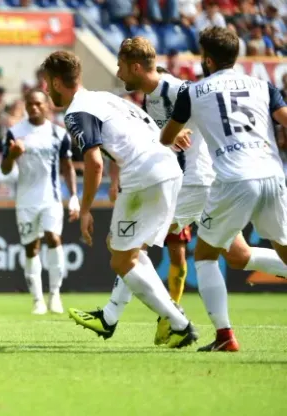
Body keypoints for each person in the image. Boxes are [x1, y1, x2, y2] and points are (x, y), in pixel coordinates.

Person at [86, 36, 287, 347]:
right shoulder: (151, 99)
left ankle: (115, 316)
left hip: (196, 182)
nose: (118, 72)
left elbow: (205, 112)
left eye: (121, 66)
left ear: (136, 67)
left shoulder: (179, 90)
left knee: (128, 244)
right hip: (213, 182)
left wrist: (178, 132)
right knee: (239, 256)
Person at [40, 51, 199, 349]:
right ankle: (113, 317)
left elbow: (94, 163)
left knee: (122, 259)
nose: (47, 90)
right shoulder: (106, 98)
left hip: (144, 175)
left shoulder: (76, 112)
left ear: (58, 82)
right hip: (167, 168)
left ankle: (178, 323)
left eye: (48, 83)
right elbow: (144, 125)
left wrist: (85, 209)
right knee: (124, 249)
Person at [160, 27, 287, 352]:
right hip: (273, 174)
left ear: (207, 59)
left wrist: (177, 133)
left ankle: (224, 336)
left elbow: (167, 137)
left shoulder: (194, 92)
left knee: (205, 256)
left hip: (234, 179)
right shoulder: (263, 86)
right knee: (277, 252)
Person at [0, 89, 79, 315]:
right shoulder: (15, 132)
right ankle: (37, 300)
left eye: (38, 103)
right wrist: (13, 155)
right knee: (31, 247)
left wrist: (74, 196)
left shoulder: (58, 133)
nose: (34, 107)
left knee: (54, 238)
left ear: (47, 106)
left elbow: (67, 167)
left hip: (51, 198)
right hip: (26, 200)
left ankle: (55, 294)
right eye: (30, 104)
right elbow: (4, 169)